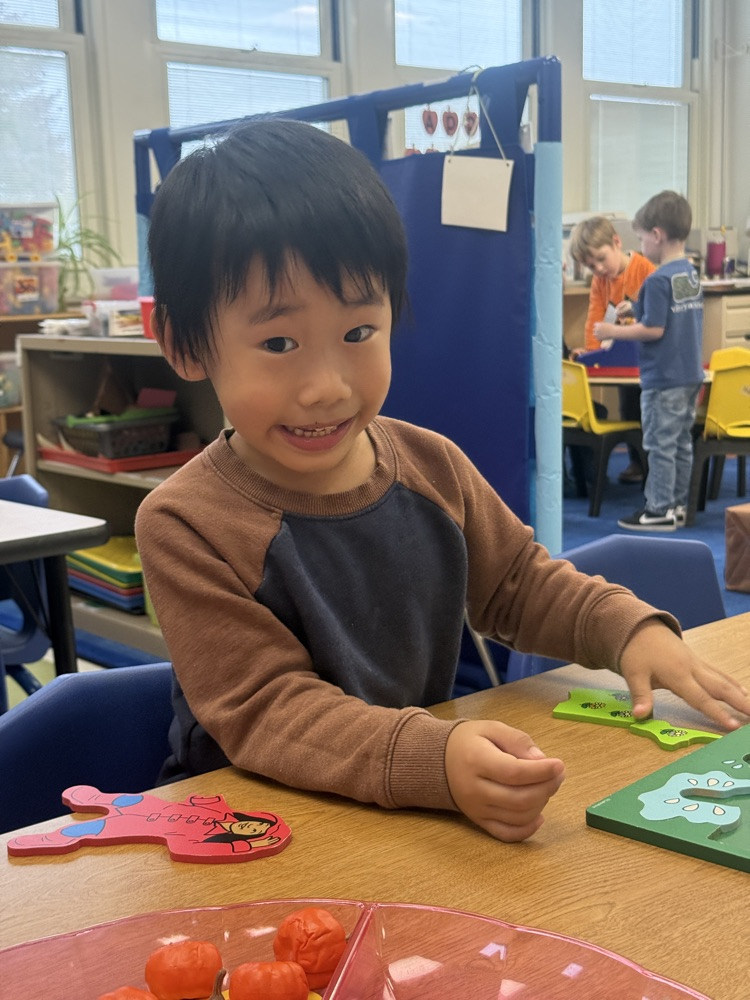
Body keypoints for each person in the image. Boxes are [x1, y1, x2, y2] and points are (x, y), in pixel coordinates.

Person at [135, 124, 749, 845]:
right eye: (278, 344)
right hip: (250, 833)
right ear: (182, 342)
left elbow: (520, 584)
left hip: (402, 814)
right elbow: (269, 710)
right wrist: (432, 757)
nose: (326, 387)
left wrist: (629, 631)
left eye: (359, 332)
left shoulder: (431, 465)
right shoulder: (185, 523)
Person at [594, 191, 704, 533]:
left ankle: (657, 509)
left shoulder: (656, 278)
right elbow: (672, 315)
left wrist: (612, 328)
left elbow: (654, 329)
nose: (641, 246)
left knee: (658, 444)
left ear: (657, 235)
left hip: (663, 378)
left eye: (641, 238)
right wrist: (636, 308)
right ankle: (678, 506)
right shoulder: (688, 273)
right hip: (688, 374)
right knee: (681, 442)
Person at [569, 216, 655, 484]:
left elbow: (654, 318)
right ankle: (637, 462)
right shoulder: (600, 281)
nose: (598, 268)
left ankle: (651, 468)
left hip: (648, 359)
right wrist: (593, 353)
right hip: (622, 360)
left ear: (616, 242)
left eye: (601, 259)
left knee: (646, 412)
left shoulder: (645, 271)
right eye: (590, 266)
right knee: (628, 408)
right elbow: (596, 316)